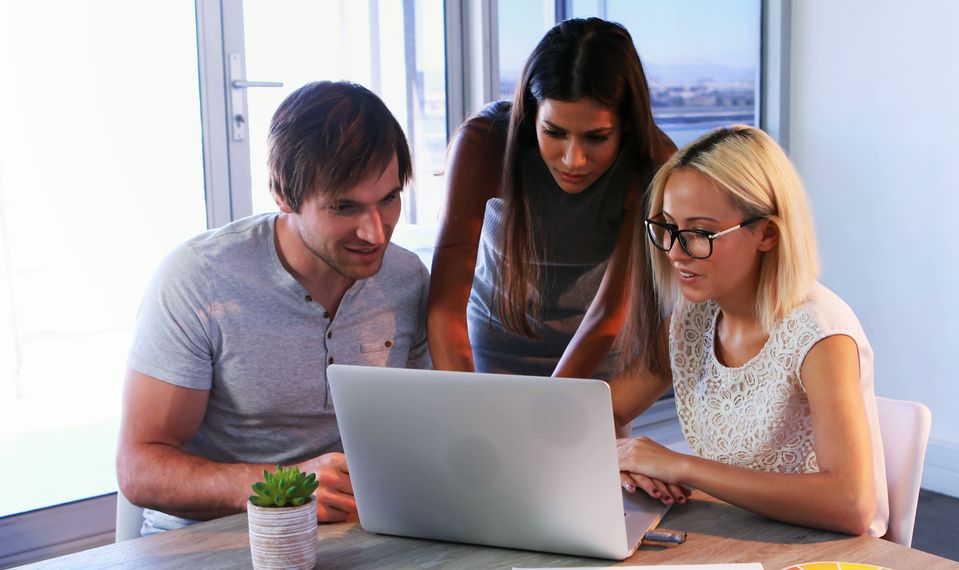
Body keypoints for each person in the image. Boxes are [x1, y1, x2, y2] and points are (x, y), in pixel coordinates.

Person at [116, 81, 430, 535]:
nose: (376, 233)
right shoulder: (198, 278)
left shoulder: (406, 278)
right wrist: (287, 485)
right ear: (284, 196)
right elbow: (140, 467)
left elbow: (424, 431)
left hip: (354, 539)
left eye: (388, 199)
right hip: (211, 545)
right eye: (345, 207)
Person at [610, 125, 889, 537]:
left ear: (768, 233)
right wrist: (624, 463)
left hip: (819, 553)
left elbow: (851, 505)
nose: (673, 251)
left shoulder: (821, 335)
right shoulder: (693, 317)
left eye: (699, 233)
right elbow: (608, 410)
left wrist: (681, 465)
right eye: (667, 227)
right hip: (733, 533)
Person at [427, 18, 674, 380]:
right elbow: (446, 303)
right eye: (554, 132)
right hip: (493, 349)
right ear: (532, 115)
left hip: (597, 355)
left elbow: (608, 312)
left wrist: (547, 406)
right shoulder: (485, 143)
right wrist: (466, 396)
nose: (573, 159)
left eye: (596, 137)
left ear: (626, 127)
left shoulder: (652, 163)